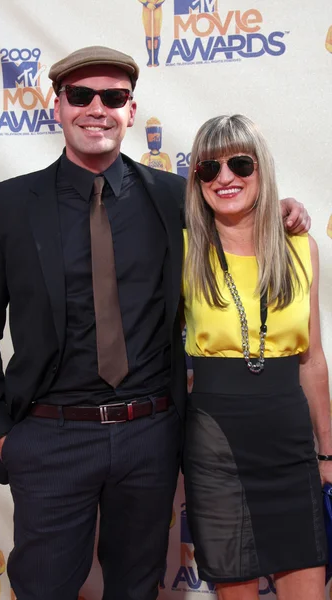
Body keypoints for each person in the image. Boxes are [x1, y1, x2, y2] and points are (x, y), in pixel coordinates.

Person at [0, 46, 309, 600]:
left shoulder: (176, 198)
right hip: (49, 438)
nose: (97, 108)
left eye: (113, 97)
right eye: (81, 95)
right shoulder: (6, 206)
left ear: (131, 110)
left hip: (150, 435)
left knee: (137, 589)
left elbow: (238, 202)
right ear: (58, 106)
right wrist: (2, 436)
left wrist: (285, 210)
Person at [182, 114, 331, 600]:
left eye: (240, 163)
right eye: (209, 169)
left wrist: (328, 452)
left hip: (291, 447)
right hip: (215, 447)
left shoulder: (300, 248)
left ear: (262, 169)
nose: (225, 178)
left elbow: (311, 361)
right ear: (197, 181)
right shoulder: (182, 252)